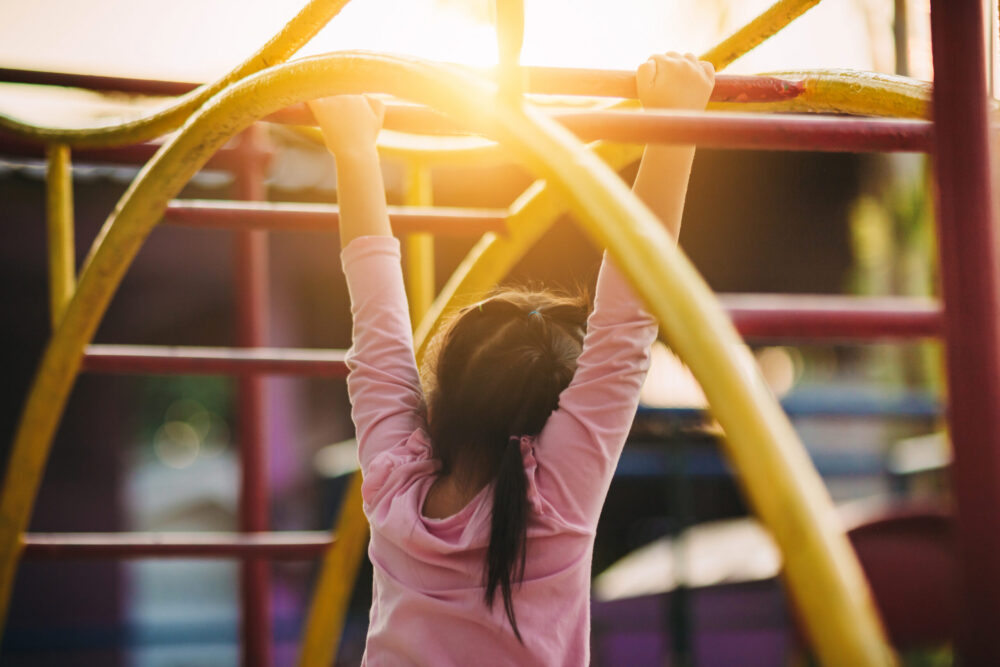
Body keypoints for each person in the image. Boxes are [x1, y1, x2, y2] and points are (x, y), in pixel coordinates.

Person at [308, 51, 714, 666]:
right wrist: (673, 126)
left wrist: (354, 152)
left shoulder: (396, 489)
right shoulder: (558, 499)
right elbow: (629, 318)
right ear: (553, 417)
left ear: (443, 390)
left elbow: (379, 325)